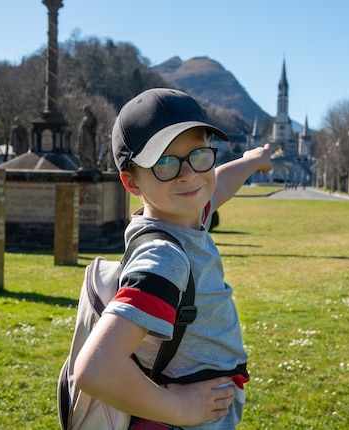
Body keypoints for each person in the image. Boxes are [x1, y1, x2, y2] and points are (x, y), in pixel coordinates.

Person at [74, 88, 271, 429]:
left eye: (199, 155)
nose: (189, 175)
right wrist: (177, 407)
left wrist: (253, 161)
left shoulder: (183, 215)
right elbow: (95, 369)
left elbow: (219, 184)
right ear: (131, 182)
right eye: (164, 163)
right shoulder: (165, 259)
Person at [77, 105, 99, 169]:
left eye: (86, 110)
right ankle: (85, 165)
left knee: (90, 151)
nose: (85, 112)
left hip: (89, 138)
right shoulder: (84, 119)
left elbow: (93, 129)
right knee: (84, 152)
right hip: (83, 138)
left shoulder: (93, 119)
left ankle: (92, 165)